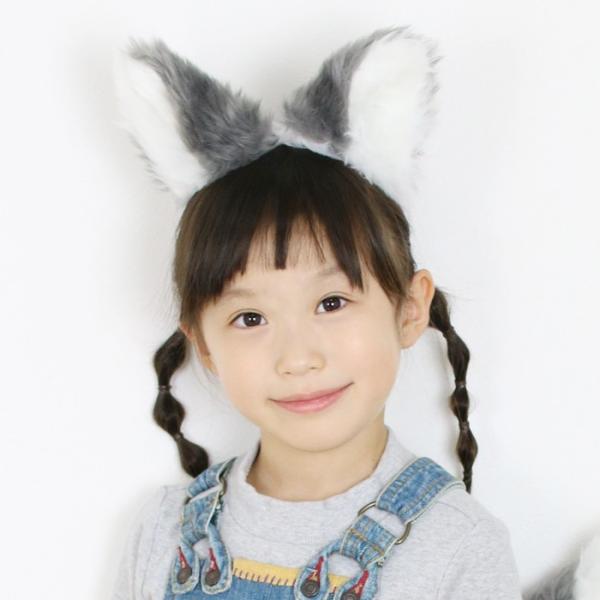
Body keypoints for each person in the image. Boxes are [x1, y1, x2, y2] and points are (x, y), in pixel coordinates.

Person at [111, 26, 523, 599]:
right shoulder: (163, 533)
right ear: (202, 343)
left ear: (409, 309)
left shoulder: (457, 545)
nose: (298, 358)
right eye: (250, 318)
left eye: (331, 303)